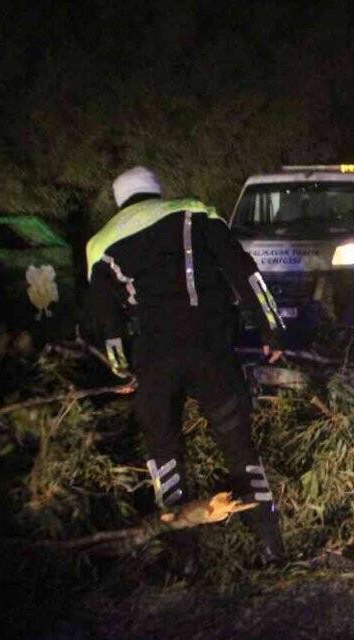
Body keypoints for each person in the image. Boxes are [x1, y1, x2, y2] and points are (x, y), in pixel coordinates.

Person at [86, 166, 287, 572]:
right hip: (211, 353)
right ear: (157, 191)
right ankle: (270, 546)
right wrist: (271, 329)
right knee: (238, 447)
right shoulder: (195, 212)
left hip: (153, 363)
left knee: (165, 457)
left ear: (120, 200)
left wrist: (121, 369)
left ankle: (185, 560)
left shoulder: (100, 244)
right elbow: (244, 271)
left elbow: (105, 321)